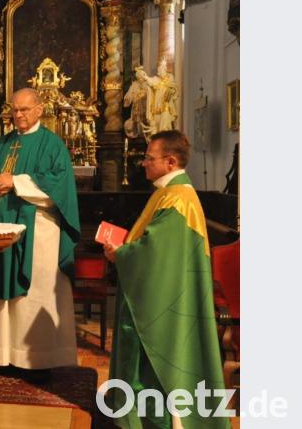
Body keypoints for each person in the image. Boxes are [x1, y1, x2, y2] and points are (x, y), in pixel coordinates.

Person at [103, 131, 229, 429]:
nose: (143, 163)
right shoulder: (170, 193)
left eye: (149, 158)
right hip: (164, 292)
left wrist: (121, 254)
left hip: (163, 303)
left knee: (156, 363)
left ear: (170, 161)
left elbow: (155, 254)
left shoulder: (177, 199)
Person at [0, 88, 81, 373]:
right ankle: (4, 356)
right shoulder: (2, 143)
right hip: (1, 230)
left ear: (39, 109)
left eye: (24, 109)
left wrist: (16, 182)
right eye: (14, 109)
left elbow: (59, 182)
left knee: (36, 293)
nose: (18, 115)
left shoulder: (52, 144)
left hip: (39, 229)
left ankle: (39, 360)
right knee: (3, 298)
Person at [140, 59, 178, 135]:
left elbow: (174, 87)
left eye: (160, 71)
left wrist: (172, 90)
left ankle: (166, 139)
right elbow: (150, 81)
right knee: (156, 130)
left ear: (165, 70)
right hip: (156, 109)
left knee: (165, 127)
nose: (159, 73)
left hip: (165, 106)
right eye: (158, 71)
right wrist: (144, 76)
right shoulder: (156, 79)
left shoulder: (170, 78)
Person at [123, 66, 150, 139]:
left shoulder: (147, 84)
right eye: (139, 78)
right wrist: (128, 99)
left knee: (144, 119)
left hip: (145, 106)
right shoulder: (134, 84)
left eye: (141, 77)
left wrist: (143, 96)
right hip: (136, 105)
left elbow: (150, 95)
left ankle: (144, 133)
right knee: (137, 119)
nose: (140, 79)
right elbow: (129, 95)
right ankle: (138, 132)